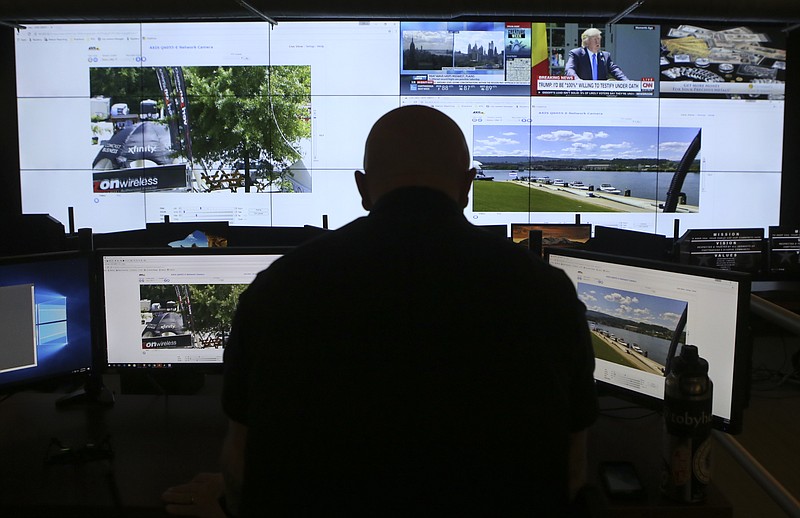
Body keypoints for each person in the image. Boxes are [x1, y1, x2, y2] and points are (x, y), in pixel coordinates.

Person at [163, 105, 598, 516]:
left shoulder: (278, 287)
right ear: (468, 186)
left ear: (362, 187)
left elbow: (241, 467)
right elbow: (572, 473)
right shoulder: (549, 293)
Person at [564, 28, 629, 81]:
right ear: (587, 41)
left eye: (599, 39)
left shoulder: (605, 56)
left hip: (600, 94)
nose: (598, 42)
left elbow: (615, 70)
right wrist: (577, 80)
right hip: (582, 93)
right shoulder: (576, 54)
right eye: (595, 39)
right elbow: (569, 69)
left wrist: (626, 81)